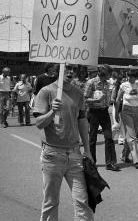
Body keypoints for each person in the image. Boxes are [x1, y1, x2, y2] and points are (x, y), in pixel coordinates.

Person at [33, 64, 94, 220]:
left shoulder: (78, 93)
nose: (71, 72)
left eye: (74, 68)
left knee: (83, 201)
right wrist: (52, 111)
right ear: (57, 70)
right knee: (51, 202)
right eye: (67, 68)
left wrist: (87, 150)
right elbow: (39, 123)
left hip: (74, 154)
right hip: (53, 155)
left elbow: (82, 121)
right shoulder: (46, 92)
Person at [84, 64, 120, 171]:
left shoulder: (108, 83)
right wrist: (96, 100)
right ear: (104, 73)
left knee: (109, 137)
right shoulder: (91, 82)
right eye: (109, 73)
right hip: (93, 112)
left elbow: (111, 96)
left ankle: (110, 163)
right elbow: (85, 98)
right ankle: (91, 162)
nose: (111, 75)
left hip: (104, 112)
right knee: (92, 138)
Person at [115, 69, 138, 169]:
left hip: (136, 110)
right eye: (128, 76)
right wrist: (116, 114)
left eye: (132, 76)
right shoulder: (123, 85)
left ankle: (124, 156)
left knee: (131, 135)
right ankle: (136, 159)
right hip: (126, 111)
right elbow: (118, 100)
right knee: (131, 136)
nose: (130, 78)